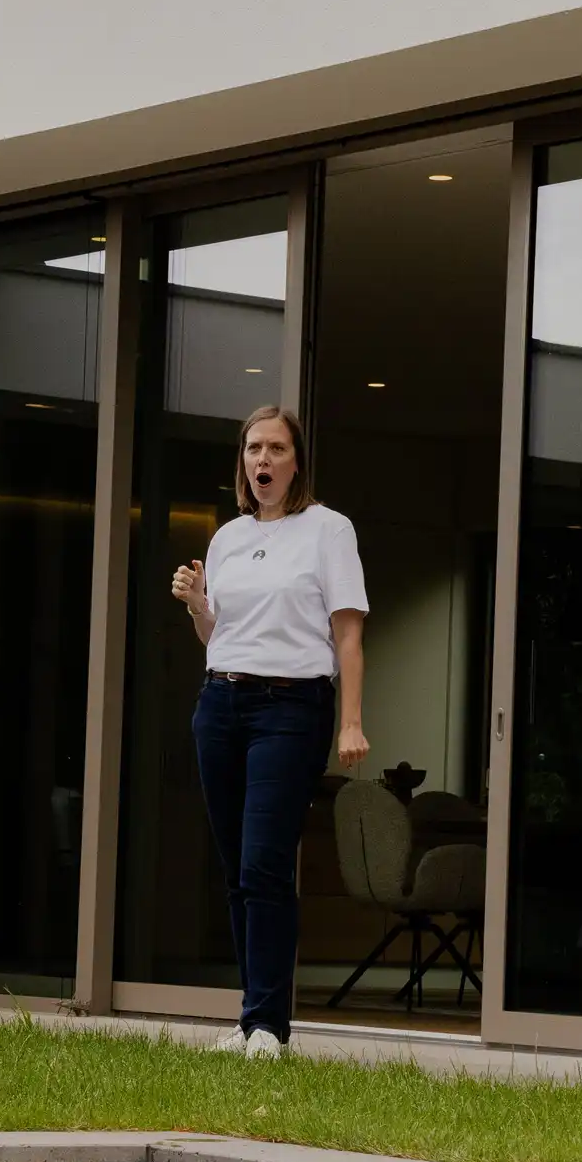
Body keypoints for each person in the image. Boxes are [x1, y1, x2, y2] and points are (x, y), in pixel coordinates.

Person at [167, 405, 369, 1058]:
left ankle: (268, 1027)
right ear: (243, 462)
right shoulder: (227, 538)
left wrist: (353, 721)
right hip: (221, 704)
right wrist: (198, 604)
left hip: (291, 708)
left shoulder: (328, 530)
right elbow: (216, 636)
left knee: (265, 865)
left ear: (296, 461)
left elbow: (349, 634)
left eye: (276, 449)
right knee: (237, 871)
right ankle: (251, 1019)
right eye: (254, 449)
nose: (263, 461)